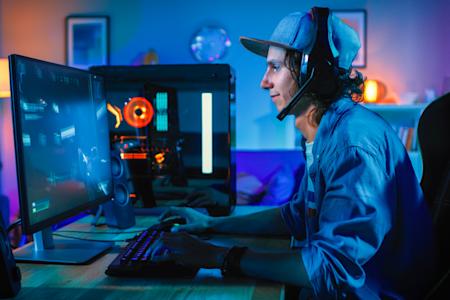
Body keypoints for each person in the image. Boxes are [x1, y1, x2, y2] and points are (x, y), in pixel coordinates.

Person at [149, 7, 434, 298]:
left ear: (314, 71)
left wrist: (218, 257)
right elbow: (296, 216)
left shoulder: (353, 145)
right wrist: (210, 224)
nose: (264, 82)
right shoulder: (322, 133)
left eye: (275, 67)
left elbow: (330, 268)